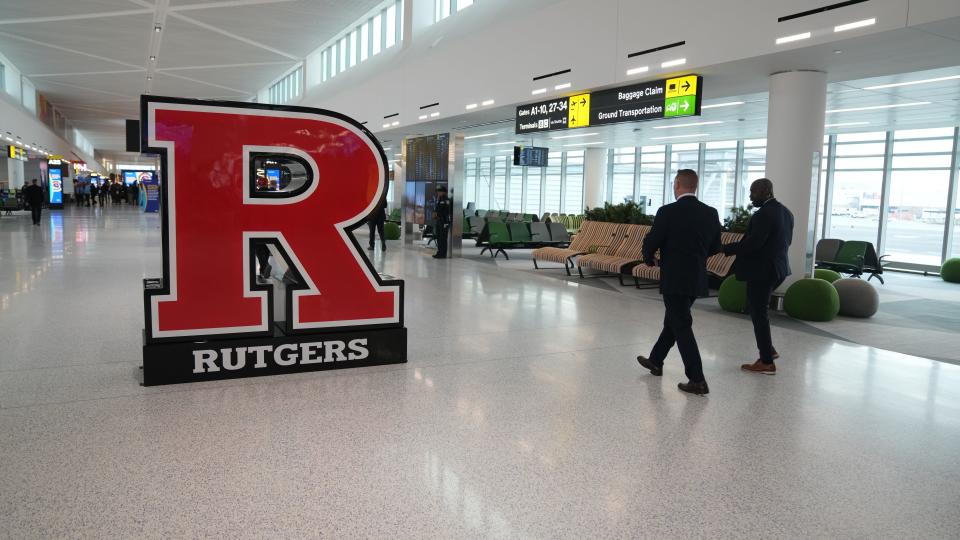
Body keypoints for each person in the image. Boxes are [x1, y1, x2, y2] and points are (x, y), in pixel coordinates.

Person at [636, 169, 721, 396]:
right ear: (695, 186)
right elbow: (715, 247)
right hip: (696, 276)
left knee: (681, 324)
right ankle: (656, 360)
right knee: (674, 319)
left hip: (674, 276)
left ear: (677, 185)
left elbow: (653, 239)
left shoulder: (667, 212)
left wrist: (649, 257)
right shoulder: (710, 213)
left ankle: (697, 379)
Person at [722, 178, 794, 375]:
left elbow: (753, 244)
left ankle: (766, 361)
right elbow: (786, 241)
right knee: (758, 311)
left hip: (762, 271)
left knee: (758, 313)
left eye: (753, 192)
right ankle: (768, 349)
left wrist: (724, 249)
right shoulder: (785, 212)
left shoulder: (763, 215)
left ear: (765, 192)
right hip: (778, 269)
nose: (750, 196)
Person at [432, 185, 452, 259]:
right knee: (439, 237)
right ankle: (439, 252)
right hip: (439, 221)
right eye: (437, 191)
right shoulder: (440, 199)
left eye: (439, 191)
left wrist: (437, 214)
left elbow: (445, 212)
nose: (438, 193)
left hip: (444, 222)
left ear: (443, 192)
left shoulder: (446, 200)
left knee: (443, 238)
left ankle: (443, 254)